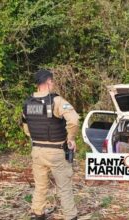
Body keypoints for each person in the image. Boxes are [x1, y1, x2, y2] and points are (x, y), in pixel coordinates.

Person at [22, 69, 79, 220]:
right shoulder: (57, 101)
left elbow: (26, 128)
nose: (53, 84)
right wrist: (71, 139)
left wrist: (38, 139)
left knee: (40, 186)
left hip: (37, 151)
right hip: (56, 151)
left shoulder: (27, 103)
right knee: (64, 188)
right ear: (48, 82)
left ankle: (37, 213)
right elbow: (74, 120)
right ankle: (70, 216)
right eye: (52, 81)